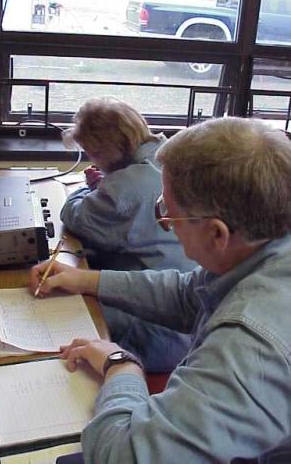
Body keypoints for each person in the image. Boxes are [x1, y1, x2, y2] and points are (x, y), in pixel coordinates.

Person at [30, 117, 291, 462]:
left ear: (217, 234)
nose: (164, 222)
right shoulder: (265, 247)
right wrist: (86, 280)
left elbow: (123, 457)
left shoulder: (249, 347)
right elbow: (187, 294)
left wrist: (122, 367)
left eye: (168, 211)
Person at [60, 97, 196, 372]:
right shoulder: (170, 155)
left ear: (107, 151)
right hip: (186, 322)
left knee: (63, 320)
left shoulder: (127, 187)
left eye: (92, 153)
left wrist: (90, 188)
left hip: (157, 333)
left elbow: (73, 215)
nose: (92, 160)